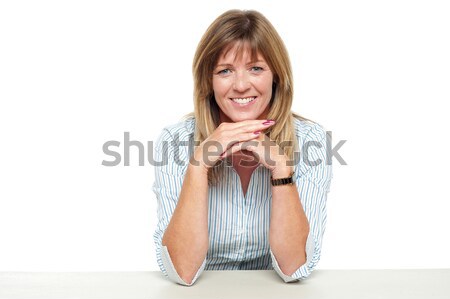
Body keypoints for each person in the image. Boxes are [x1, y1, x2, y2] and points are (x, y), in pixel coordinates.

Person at [152, 9, 332, 286]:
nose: (240, 85)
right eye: (225, 71)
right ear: (208, 82)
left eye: (256, 68)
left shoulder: (311, 141)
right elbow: (183, 271)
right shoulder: (175, 141)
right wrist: (199, 165)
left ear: (276, 76)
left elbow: (294, 267)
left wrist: (281, 169)